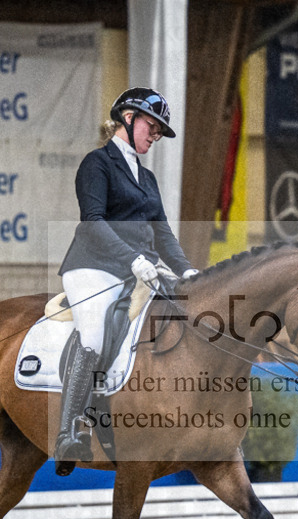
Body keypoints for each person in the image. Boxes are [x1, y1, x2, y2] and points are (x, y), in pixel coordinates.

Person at [53, 87, 199, 476]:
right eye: (152, 127)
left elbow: (163, 232)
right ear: (129, 118)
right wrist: (134, 259)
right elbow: (94, 221)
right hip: (93, 267)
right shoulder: (97, 164)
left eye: (159, 131)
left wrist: (187, 271)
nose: (155, 136)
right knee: (93, 335)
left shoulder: (147, 178)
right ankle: (68, 432)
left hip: (140, 269)